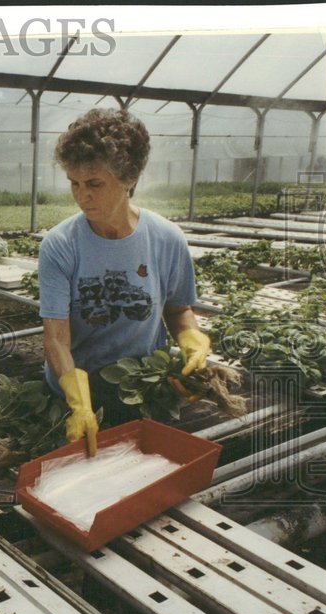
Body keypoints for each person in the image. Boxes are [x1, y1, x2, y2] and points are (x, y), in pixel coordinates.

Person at [37, 108, 211, 450]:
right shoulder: (60, 246)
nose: (81, 195)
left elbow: (177, 310)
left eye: (94, 184)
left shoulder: (166, 239)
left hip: (142, 388)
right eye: (74, 183)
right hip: (74, 393)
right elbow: (56, 338)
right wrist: (78, 403)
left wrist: (191, 338)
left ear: (128, 178)